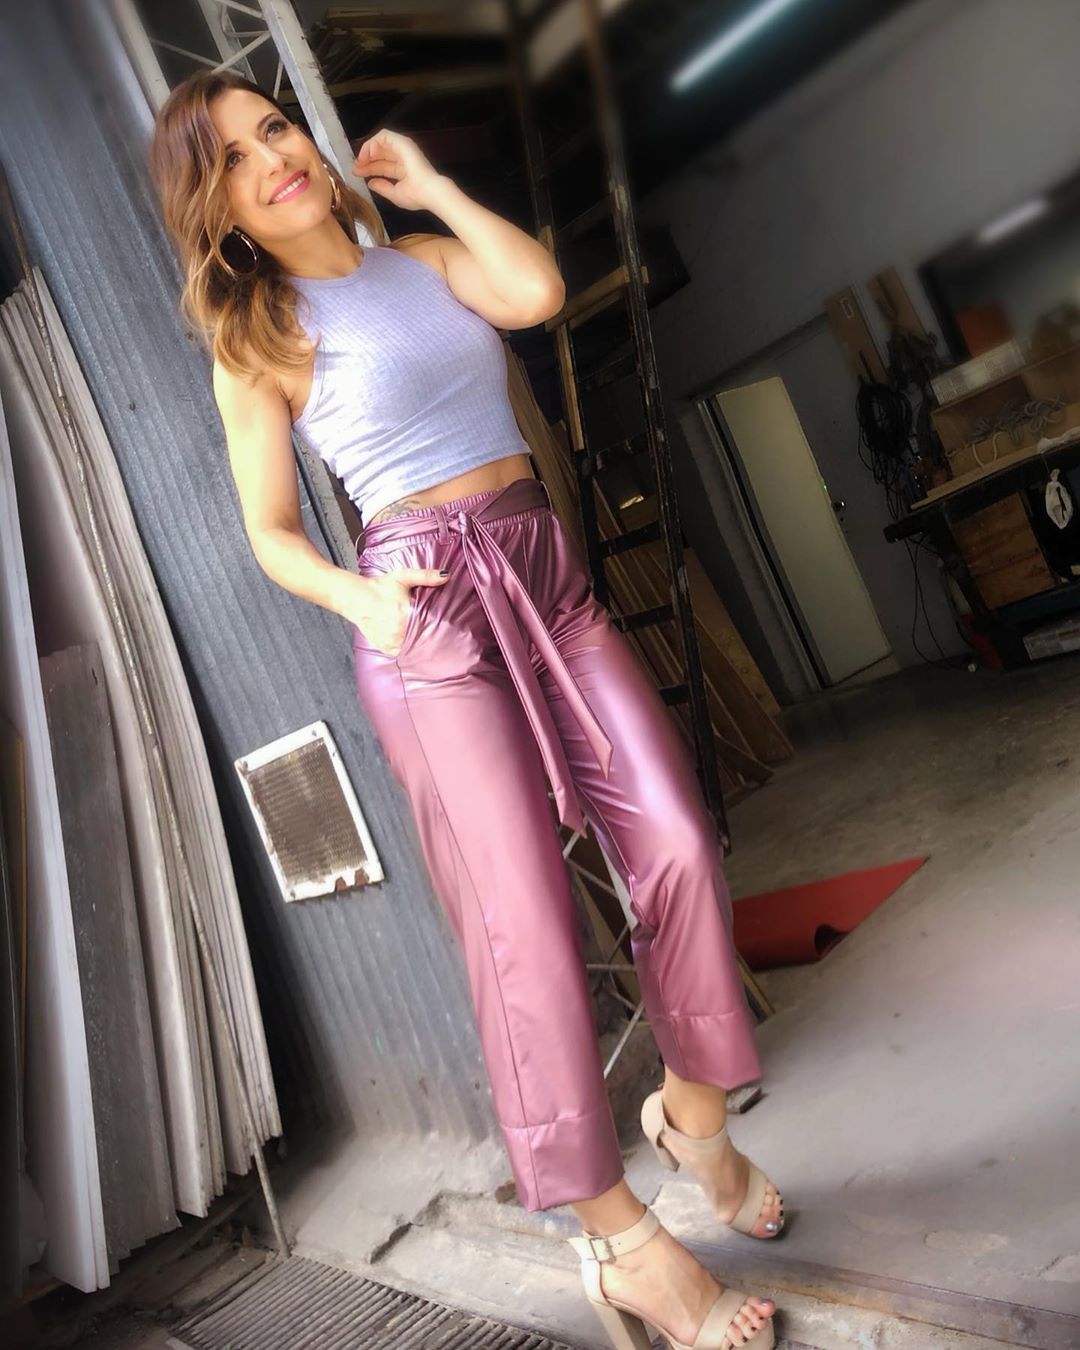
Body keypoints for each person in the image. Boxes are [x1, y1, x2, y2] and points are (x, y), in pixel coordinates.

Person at [149, 68, 783, 1350]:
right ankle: (624, 1242)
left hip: (543, 574)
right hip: (427, 614)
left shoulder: (424, 263)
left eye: (275, 128)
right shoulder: (258, 339)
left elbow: (536, 293)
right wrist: (362, 601)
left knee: (674, 843)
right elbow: (270, 533)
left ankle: (691, 1121)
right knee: (522, 935)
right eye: (234, 161)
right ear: (216, 211)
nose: (272, 158)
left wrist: (432, 185)